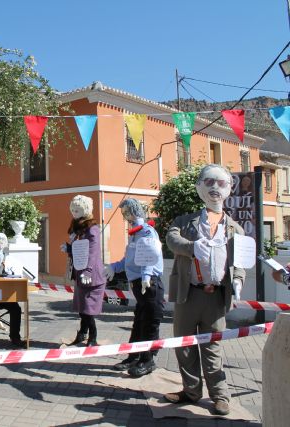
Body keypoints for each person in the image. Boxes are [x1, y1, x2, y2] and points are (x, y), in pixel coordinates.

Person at [164, 164, 245, 416]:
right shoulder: (184, 222)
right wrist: (191, 247)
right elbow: (171, 239)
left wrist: (239, 281)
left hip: (216, 297)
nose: (214, 188)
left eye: (221, 183)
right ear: (199, 186)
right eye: (209, 182)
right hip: (188, 294)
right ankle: (191, 391)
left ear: (229, 189)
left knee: (213, 348)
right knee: (184, 345)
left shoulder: (236, 229)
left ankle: (220, 396)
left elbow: (240, 262)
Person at [105, 198, 164, 377]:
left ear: (135, 211)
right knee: (139, 321)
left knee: (150, 322)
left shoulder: (146, 231)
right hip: (138, 284)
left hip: (149, 283)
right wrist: (114, 267)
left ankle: (148, 360)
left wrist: (146, 275)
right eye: (124, 213)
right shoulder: (134, 234)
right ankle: (133, 356)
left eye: (127, 212)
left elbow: (149, 255)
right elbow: (130, 259)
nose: (125, 216)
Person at [61, 195, 105, 347]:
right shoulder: (77, 228)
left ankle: (93, 337)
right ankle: (82, 334)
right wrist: (69, 248)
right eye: (72, 209)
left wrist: (87, 271)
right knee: (82, 308)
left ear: (85, 210)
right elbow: (79, 250)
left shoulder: (92, 229)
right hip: (80, 273)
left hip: (91, 275)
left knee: (87, 309)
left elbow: (93, 252)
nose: (74, 212)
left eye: (77, 210)